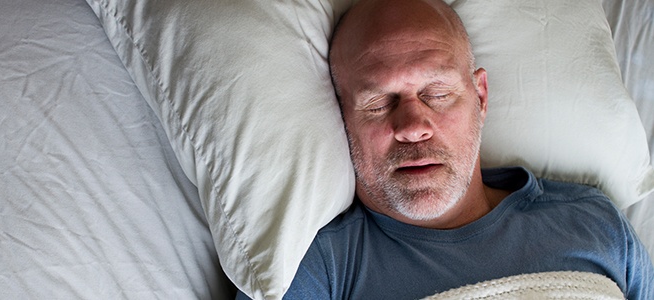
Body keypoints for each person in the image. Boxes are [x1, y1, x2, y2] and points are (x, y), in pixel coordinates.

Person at [238, 0, 654, 298]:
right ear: (342, 117)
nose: (413, 127)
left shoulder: (594, 221)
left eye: (436, 93)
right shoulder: (320, 267)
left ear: (481, 98)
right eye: (379, 103)